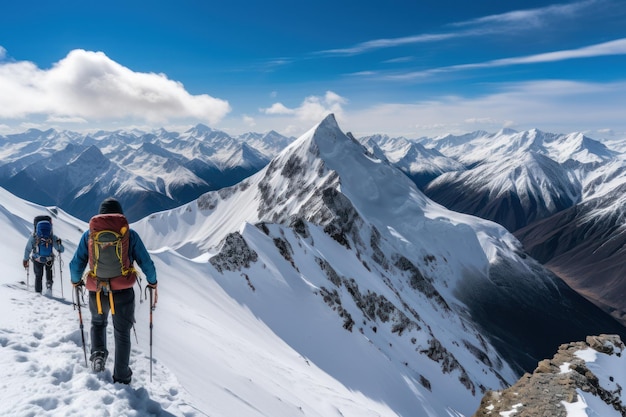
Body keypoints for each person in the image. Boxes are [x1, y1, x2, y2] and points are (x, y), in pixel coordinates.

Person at [69, 197, 157, 384]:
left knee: (98, 323)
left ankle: (98, 356)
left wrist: (76, 282)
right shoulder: (129, 235)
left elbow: (77, 263)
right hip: (123, 291)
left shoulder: (90, 235)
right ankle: (122, 376)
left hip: (97, 291)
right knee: (122, 333)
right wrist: (153, 282)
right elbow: (146, 262)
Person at [23, 216, 65, 294]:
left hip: (37, 258)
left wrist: (25, 259)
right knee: (49, 272)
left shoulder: (34, 236)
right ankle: (49, 287)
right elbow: (61, 249)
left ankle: (38, 293)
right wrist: (59, 243)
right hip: (48, 259)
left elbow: (28, 248)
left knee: (38, 276)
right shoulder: (51, 236)